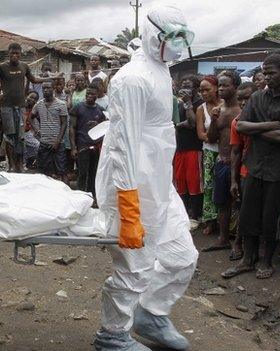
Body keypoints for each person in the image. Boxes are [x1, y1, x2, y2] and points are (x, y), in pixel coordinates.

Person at [93, 6, 198, 351]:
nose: (179, 45)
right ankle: (112, 335)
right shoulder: (131, 78)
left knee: (182, 255)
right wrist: (129, 205)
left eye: (184, 37)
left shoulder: (161, 68)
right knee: (134, 265)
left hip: (158, 182)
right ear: (154, 35)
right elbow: (123, 146)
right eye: (173, 38)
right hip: (132, 184)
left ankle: (151, 313)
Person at [221, 54, 280, 280]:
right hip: (254, 165)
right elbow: (241, 127)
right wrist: (269, 124)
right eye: (265, 73)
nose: (267, 77)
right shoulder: (257, 97)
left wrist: (255, 128)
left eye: (271, 73)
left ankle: (266, 261)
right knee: (248, 215)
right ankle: (248, 260)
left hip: (278, 171)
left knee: (271, 218)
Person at [0, 42, 48, 172]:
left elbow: (34, 80)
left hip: (21, 107)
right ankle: (11, 165)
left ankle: (20, 164)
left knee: (20, 137)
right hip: (6, 107)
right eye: (12, 54)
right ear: (8, 54)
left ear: (20, 54)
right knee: (9, 136)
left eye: (17, 53)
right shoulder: (1, 67)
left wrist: (52, 78)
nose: (14, 56)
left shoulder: (24, 66)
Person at [202, 71, 241, 253]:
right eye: (221, 85)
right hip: (221, 161)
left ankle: (239, 243)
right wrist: (214, 120)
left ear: (235, 87)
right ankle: (223, 239)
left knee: (240, 204)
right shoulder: (219, 111)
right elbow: (211, 138)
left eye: (226, 85)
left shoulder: (241, 110)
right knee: (222, 203)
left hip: (239, 163)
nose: (223, 88)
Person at [228, 82, 258, 261]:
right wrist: (234, 179)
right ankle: (238, 243)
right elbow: (236, 151)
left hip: (267, 170)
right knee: (244, 210)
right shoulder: (237, 122)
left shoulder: (264, 118)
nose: (243, 102)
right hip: (246, 171)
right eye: (240, 99)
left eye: (247, 98)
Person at [173, 75, 204, 230]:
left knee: (194, 182)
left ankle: (195, 215)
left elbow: (192, 123)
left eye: (189, 86)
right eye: (183, 86)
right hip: (180, 148)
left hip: (193, 148)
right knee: (180, 181)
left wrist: (187, 104)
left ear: (196, 88)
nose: (185, 89)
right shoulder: (179, 103)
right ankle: (183, 213)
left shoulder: (199, 104)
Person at [70, 83, 106, 199]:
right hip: (82, 145)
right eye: (88, 93)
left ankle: (93, 197)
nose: (89, 96)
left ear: (97, 96)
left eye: (92, 94)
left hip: (95, 147)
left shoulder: (101, 110)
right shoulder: (78, 108)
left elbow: (106, 128)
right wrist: (73, 148)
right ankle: (80, 198)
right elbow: (72, 128)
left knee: (94, 174)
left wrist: (98, 124)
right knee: (82, 173)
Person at [195, 75, 221, 236]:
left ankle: (226, 222)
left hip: (226, 151)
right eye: (201, 91)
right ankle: (211, 221)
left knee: (223, 187)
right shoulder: (201, 109)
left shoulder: (225, 105)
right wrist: (213, 137)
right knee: (209, 187)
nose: (204, 93)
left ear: (216, 88)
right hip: (210, 151)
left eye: (207, 90)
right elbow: (200, 134)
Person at [32, 81, 68, 181]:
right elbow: (31, 117)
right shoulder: (39, 104)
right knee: (44, 174)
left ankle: (67, 194)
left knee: (62, 172)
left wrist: (57, 141)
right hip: (44, 143)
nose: (45, 90)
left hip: (58, 143)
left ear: (53, 89)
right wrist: (36, 130)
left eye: (48, 88)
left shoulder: (61, 104)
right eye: (43, 88)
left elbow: (64, 124)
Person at [23, 91, 40, 169]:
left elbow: (34, 119)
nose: (32, 99)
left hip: (27, 132)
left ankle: (29, 163)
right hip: (20, 132)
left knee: (38, 146)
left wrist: (36, 130)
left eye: (34, 99)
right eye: (31, 97)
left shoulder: (34, 109)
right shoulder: (22, 105)